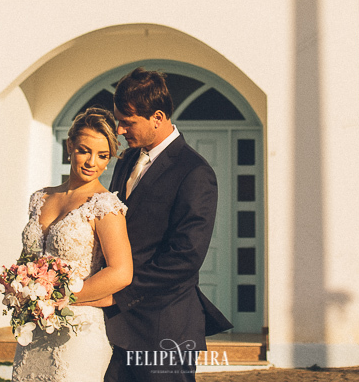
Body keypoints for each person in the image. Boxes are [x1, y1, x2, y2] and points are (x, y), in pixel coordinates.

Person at [104, 68, 232, 382]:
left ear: (158, 117)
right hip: (116, 327)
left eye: (128, 122)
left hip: (165, 327)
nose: (120, 130)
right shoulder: (126, 161)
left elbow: (184, 258)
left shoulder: (195, 172)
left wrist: (117, 294)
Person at [12, 108, 133, 382]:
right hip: (34, 329)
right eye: (84, 150)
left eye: (102, 156)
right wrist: (19, 289)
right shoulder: (40, 197)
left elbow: (121, 272)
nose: (92, 162)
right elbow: (27, 259)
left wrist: (62, 300)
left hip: (76, 329)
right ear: (69, 146)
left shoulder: (105, 206)